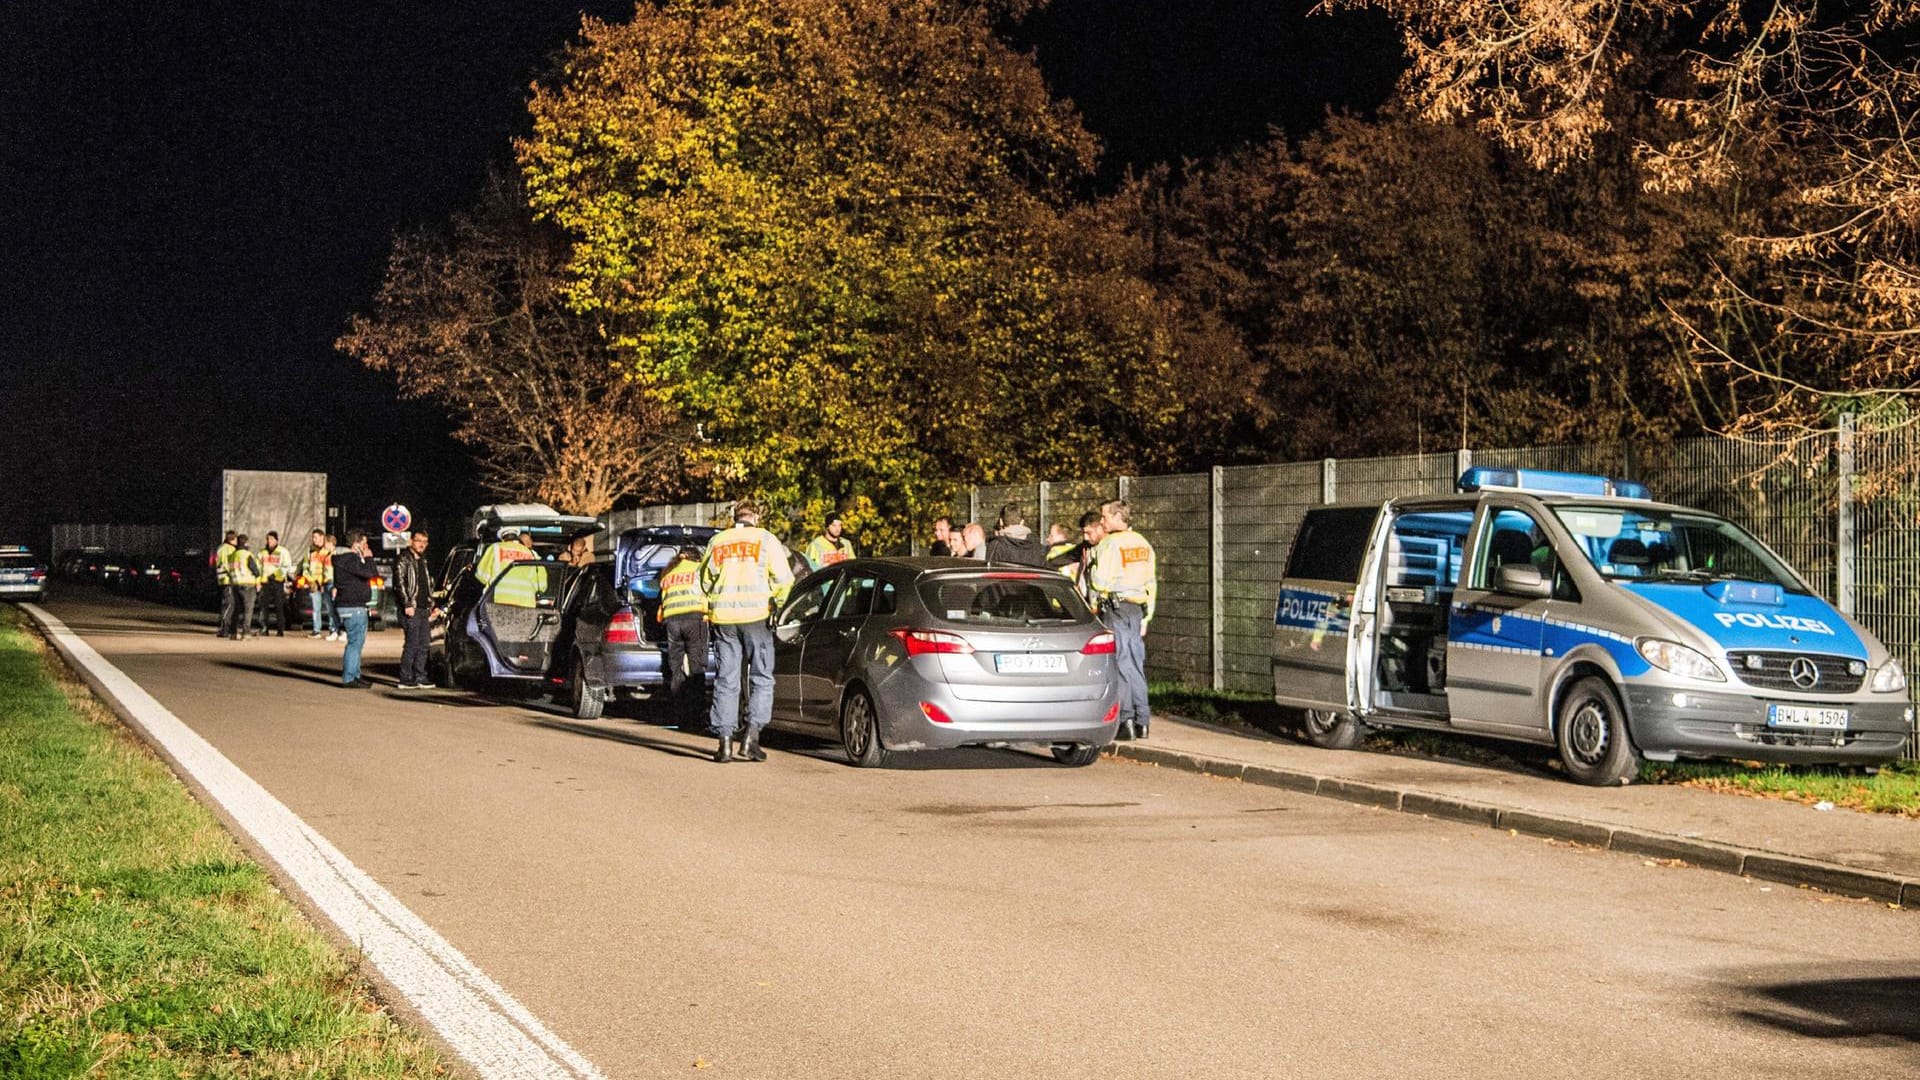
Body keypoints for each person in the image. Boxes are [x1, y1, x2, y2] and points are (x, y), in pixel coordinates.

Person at [699, 500, 794, 763]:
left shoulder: (719, 541)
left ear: (735, 517)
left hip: (725, 620)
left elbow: (705, 579)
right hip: (756, 618)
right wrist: (777, 601)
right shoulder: (765, 539)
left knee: (727, 679)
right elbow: (785, 580)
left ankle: (725, 744)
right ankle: (751, 738)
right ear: (756, 517)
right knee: (762, 677)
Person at [1085, 500, 1156, 740]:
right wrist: (1148, 616)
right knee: (1135, 664)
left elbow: (1100, 582)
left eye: (1105, 516)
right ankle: (1142, 721)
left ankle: (1125, 720)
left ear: (1117, 517)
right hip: (1137, 610)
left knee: (1120, 664)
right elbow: (1150, 583)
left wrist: (1091, 565)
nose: (1102, 521)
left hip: (1115, 608)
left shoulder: (1110, 544)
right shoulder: (1142, 543)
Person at [657, 543, 710, 732]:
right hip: (695, 619)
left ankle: (679, 715)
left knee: (676, 669)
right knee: (697, 668)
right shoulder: (699, 569)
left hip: (672, 622)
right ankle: (696, 717)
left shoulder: (668, 573)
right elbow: (709, 591)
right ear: (695, 557)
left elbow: (662, 601)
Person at [331, 531, 378, 688]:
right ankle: (349, 677)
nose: (366, 547)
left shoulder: (342, 559)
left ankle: (355, 675)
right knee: (355, 643)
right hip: (353, 606)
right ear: (356, 544)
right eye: (364, 544)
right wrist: (369, 557)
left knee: (357, 643)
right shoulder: (350, 559)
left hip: (350, 605)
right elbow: (370, 573)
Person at [394, 527, 436, 689]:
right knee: (412, 643)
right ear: (411, 541)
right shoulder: (403, 559)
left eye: (425, 542)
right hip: (412, 607)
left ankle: (420, 675)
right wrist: (406, 604)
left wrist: (431, 603)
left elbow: (427, 584)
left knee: (424, 643)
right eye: (419, 541)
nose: (422, 545)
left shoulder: (423, 560)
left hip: (424, 607)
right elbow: (399, 584)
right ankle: (405, 678)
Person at [474, 527, 541, 606]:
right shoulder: (532, 554)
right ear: (517, 537)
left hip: (498, 603)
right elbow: (541, 585)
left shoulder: (495, 548)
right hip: (526, 605)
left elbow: (481, 576)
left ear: (502, 538)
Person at [255, 531, 294, 637]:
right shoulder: (262, 552)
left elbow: (286, 566)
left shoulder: (283, 552)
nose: (269, 541)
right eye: (268, 539)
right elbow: (257, 567)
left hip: (277, 582)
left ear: (277, 540)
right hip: (265, 582)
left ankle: (280, 630)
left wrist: (276, 575)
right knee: (264, 607)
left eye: (272, 539)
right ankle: (264, 628)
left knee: (279, 606)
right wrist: (258, 581)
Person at [302, 529, 336, 639]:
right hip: (314, 584)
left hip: (325, 583)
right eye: (313, 537)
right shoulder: (309, 551)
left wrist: (322, 582)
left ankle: (333, 630)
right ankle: (316, 630)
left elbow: (328, 570)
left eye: (316, 537)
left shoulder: (327, 551)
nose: (314, 540)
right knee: (315, 609)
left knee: (330, 608)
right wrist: (312, 581)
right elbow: (305, 567)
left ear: (322, 537)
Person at [226, 535, 259, 641]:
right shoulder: (247, 555)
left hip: (236, 585)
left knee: (236, 610)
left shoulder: (232, 556)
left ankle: (233, 633)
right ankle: (246, 633)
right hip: (248, 585)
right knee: (248, 610)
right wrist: (258, 582)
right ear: (245, 544)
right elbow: (256, 571)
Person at [214, 530, 238, 638]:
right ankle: (225, 628)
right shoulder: (229, 549)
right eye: (236, 539)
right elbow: (227, 565)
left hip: (223, 579)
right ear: (232, 539)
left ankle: (224, 627)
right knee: (229, 604)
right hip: (228, 580)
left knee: (226, 604)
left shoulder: (221, 548)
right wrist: (235, 576)